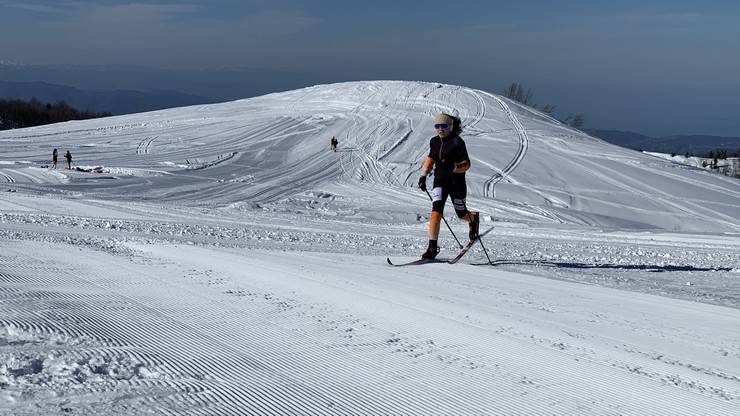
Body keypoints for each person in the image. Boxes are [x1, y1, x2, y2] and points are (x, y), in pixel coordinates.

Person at [417, 113, 479, 260]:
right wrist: (423, 176)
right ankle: (432, 248)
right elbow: (431, 158)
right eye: (437, 126)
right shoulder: (434, 141)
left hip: (456, 183)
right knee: (436, 212)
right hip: (439, 182)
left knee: (461, 214)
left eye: (444, 126)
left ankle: (473, 219)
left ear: (450, 127)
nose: (440, 129)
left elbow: (467, 164)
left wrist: (454, 166)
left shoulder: (458, 142)